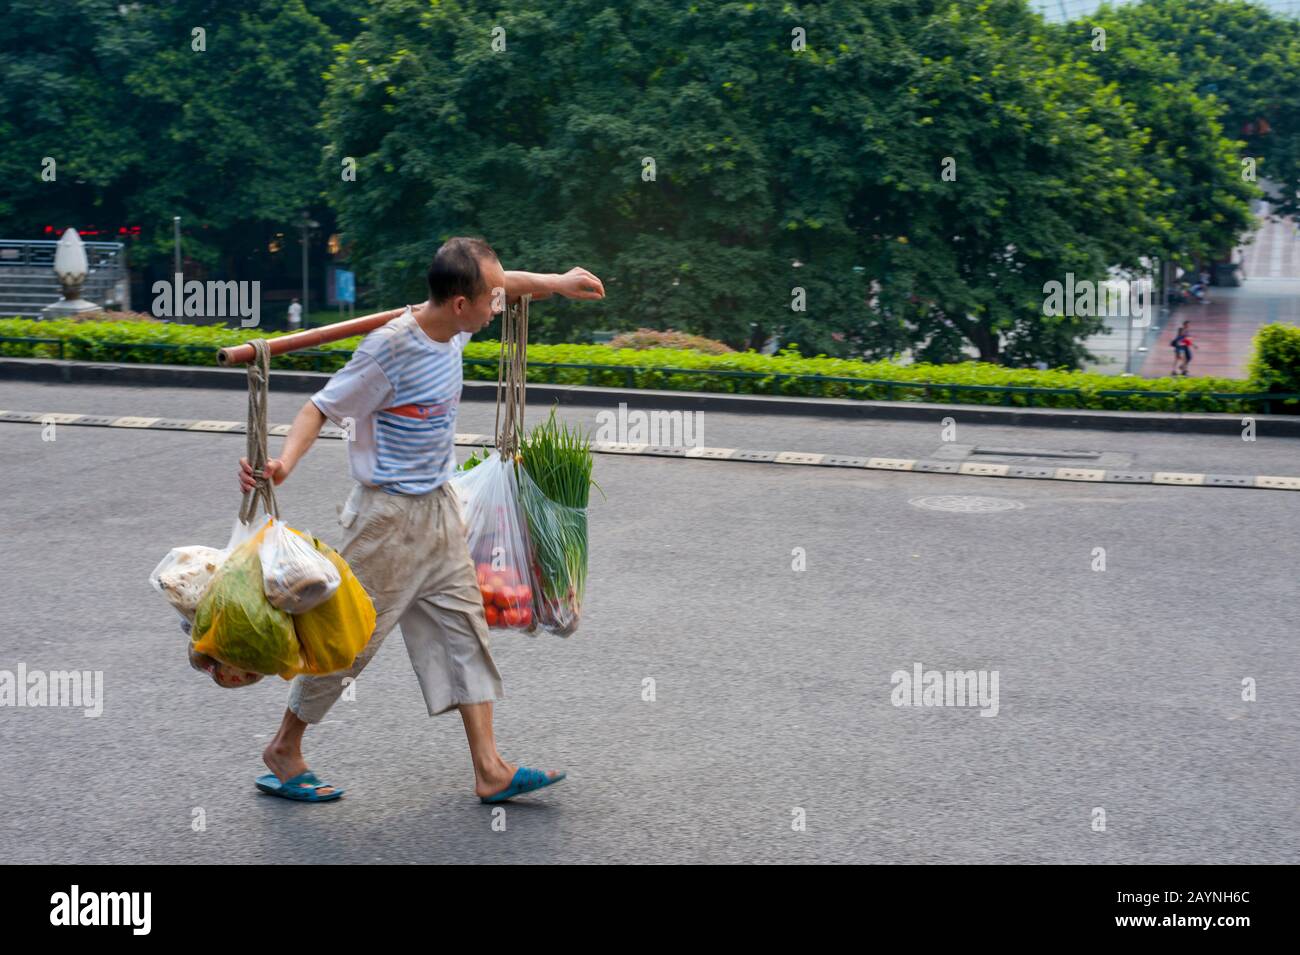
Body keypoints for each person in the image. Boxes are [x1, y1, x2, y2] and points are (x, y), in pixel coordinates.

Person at [238, 236, 605, 803]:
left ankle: (490, 769)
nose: (498, 305)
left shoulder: (457, 319)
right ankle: (284, 747)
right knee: (349, 641)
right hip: (386, 519)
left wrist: (559, 282)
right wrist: (284, 463)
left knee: (465, 630)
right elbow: (319, 406)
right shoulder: (388, 351)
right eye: (491, 298)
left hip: (439, 508)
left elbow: (510, 281)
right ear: (461, 304)